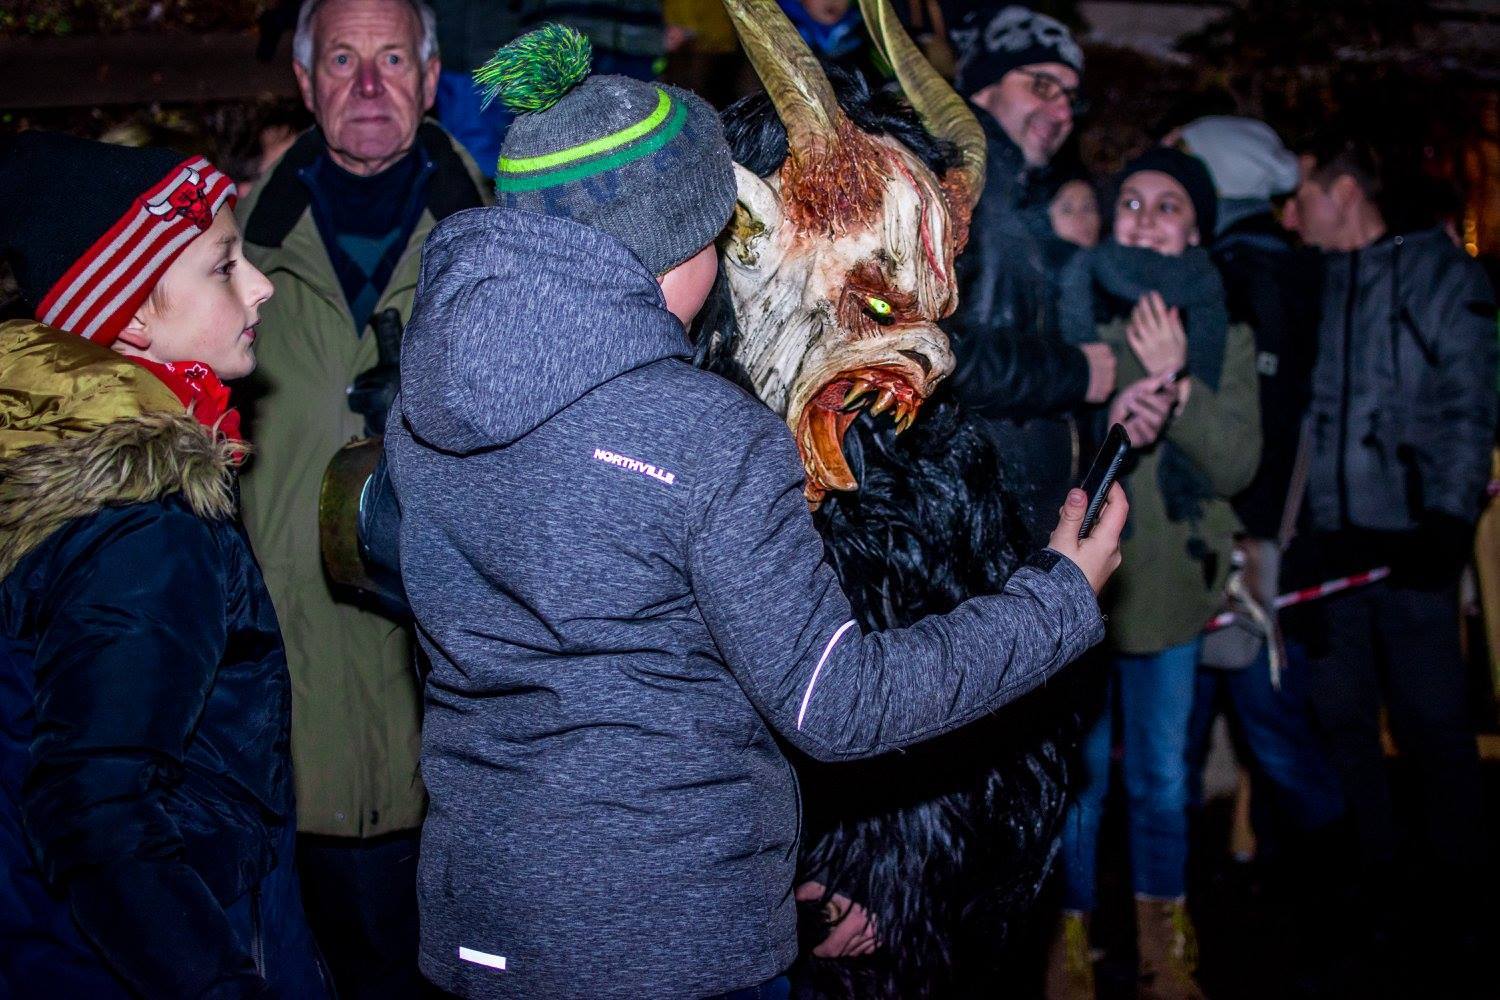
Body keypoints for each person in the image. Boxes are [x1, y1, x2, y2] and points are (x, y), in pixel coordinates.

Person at [385, 26, 1127, 999]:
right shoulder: (709, 431)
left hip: (489, 919)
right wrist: (1060, 596)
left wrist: (865, 862)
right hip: (679, 937)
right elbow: (839, 698)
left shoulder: (427, 406)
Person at [0, 132, 326, 998]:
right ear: (134, 316)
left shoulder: (63, 467)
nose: (260, 285)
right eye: (223, 266)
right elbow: (98, 813)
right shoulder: (145, 528)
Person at [235, 0, 486, 995]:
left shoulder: (501, 255)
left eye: (392, 58)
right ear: (305, 82)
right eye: (343, 59)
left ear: (430, 78)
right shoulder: (226, 259)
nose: (370, 85)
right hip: (284, 755)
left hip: (458, 762)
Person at [1282, 135, 1496, 971]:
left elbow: (1468, 402)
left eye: (1305, 194)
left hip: (1410, 542)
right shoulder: (1313, 282)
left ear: (1344, 193)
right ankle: (1374, 882)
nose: (1293, 213)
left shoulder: (1438, 275)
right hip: (1330, 550)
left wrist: (1446, 518)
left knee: (1432, 721)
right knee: (1342, 720)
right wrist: (1294, 536)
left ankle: (1463, 893)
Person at [1053, 147, 1262, 1000]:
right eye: (1131, 202)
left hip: (1170, 590)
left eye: (1167, 205)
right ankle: (1065, 939)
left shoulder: (1226, 335)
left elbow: (1238, 465)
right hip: (1081, 592)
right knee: (1080, 779)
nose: (1144, 218)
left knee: (1162, 779)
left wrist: (1177, 390)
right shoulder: (1077, 324)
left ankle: (1162, 940)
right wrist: (1108, 413)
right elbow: (1046, 453)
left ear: (1197, 231)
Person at [1174, 116, 1343, 862]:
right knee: (1221, 717)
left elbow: (1257, 426)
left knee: (1262, 717)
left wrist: (1243, 527)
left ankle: (1329, 870)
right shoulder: (1279, 268)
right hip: (1256, 529)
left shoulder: (1244, 276)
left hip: (1243, 535)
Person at [943, 4, 1116, 544]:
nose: (1061, 110)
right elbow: (933, 353)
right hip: (963, 517)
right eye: (1042, 85)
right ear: (983, 88)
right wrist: (1075, 372)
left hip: (1008, 517)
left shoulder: (1022, 195)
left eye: (1070, 97)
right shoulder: (953, 190)